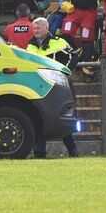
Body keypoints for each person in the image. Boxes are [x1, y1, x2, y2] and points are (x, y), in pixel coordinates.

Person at [28, 18, 78, 158]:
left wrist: (63, 72)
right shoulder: (31, 44)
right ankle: (39, 153)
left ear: (46, 28)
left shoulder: (58, 41)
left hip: (57, 86)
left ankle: (72, 150)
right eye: (34, 28)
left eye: (38, 28)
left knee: (62, 117)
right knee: (38, 116)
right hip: (39, 86)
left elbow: (73, 57)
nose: (35, 31)